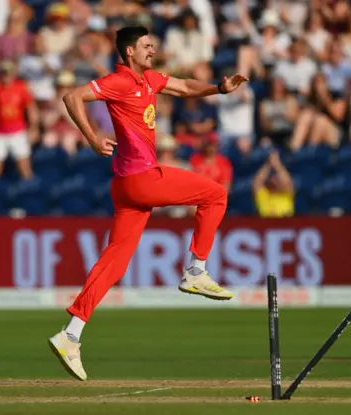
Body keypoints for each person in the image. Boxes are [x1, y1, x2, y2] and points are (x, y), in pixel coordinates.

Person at [48, 26, 248, 381]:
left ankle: (71, 333)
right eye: (146, 45)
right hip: (141, 180)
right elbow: (71, 96)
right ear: (129, 52)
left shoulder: (150, 79)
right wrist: (93, 139)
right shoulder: (120, 82)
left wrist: (218, 88)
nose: (152, 49)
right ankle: (196, 271)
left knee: (115, 262)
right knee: (217, 194)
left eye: (152, 44)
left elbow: (185, 87)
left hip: (126, 188)